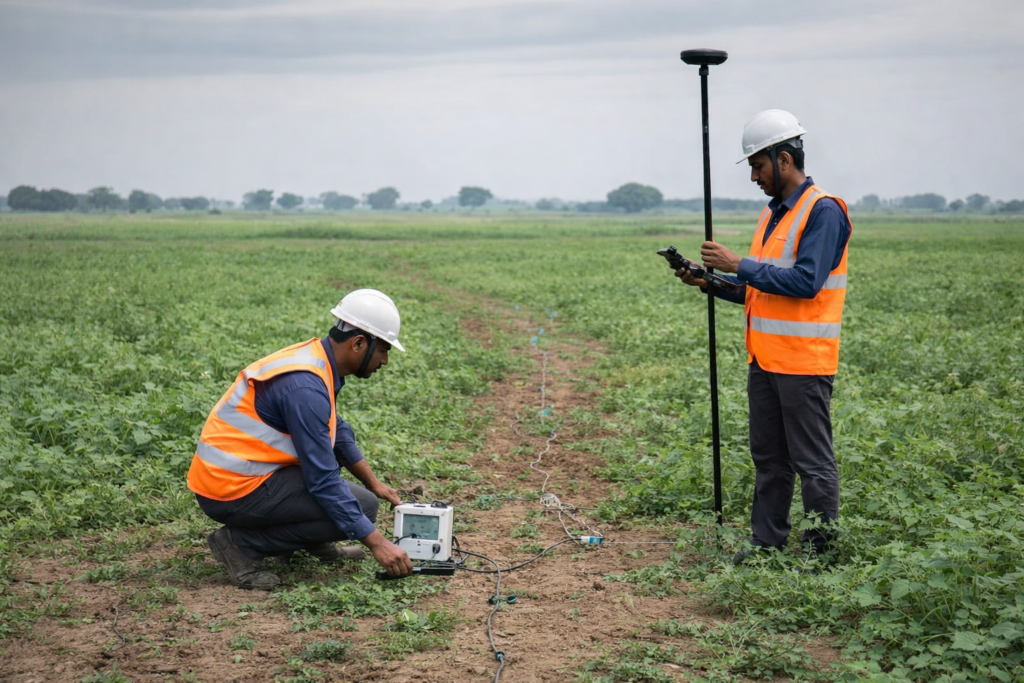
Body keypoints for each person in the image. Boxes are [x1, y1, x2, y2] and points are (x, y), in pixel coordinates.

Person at [676, 109, 852, 564]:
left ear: (785, 159)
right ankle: (766, 543)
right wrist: (710, 282)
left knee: (813, 464)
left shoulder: (823, 211)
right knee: (769, 459)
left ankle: (820, 555)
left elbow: (806, 282)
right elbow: (762, 287)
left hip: (803, 362)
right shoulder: (771, 214)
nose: (754, 176)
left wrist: (738, 264)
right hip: (766, 360)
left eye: (758, 166)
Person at [187, 288, 414, 589]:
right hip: (230, 488)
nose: (384, 360)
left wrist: (374, 482)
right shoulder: (304, 388)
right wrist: (378, 543)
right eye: (384, 350)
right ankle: (239, 543)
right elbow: (322, 480)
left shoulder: (316, 359)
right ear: (359, 343)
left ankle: (310, 541)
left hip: (247, 475)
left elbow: (336, 430)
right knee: (363, 508)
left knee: (363, 500)